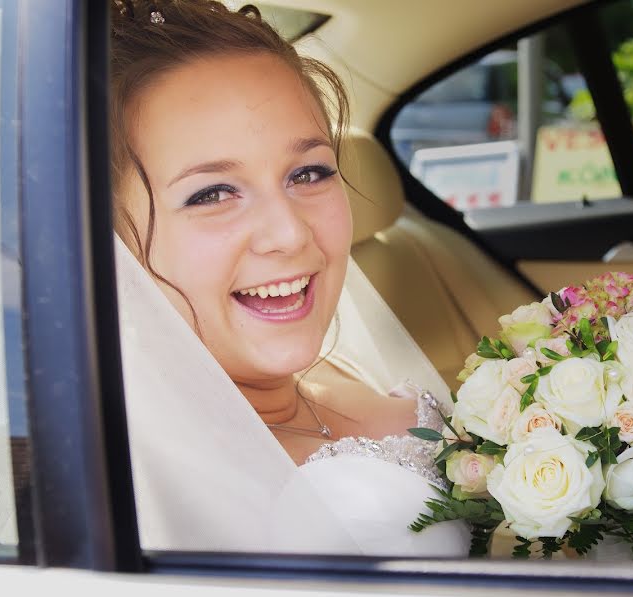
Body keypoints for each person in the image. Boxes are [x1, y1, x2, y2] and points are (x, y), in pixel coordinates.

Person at [109, 1, 469, 556]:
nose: (289, 233)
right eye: (211, 193)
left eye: (310, 172)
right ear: (106, 239)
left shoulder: (355, 382)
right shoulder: (137, 492)